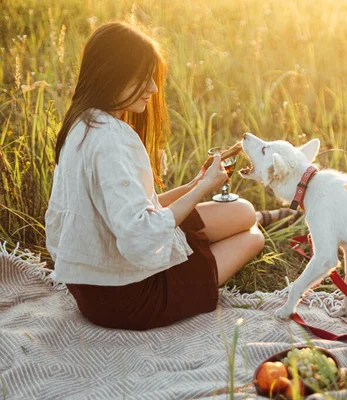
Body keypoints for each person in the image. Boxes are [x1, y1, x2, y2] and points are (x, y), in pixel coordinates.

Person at [44, 21, 299, 330]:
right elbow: (139, 237)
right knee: (252, 239)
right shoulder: (111, 140)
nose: (153, 88)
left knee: (243, 211)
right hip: (126, 296)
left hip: (91, 282)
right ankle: (264, 222)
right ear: (113, 74)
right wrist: (203, 188)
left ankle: (260, 216)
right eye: (143, 77)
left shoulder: (82, 123)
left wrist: (194, 185)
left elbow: (128, 212)